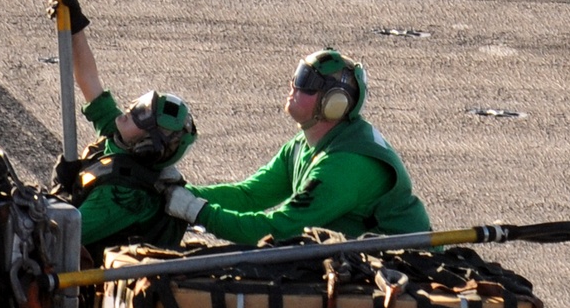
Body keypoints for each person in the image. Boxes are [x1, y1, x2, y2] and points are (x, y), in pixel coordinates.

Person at [161, 47, 431, 245]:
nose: (294, 86)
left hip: (406, 265)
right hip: (363, 257)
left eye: (307, 84)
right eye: (298, 76)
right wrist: (178, 192)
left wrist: (196, 211)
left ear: (334, 102)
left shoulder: (345, 164)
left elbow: (276, 230)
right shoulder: (304, 144)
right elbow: (250, 195)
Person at [49, 0, 198, 262]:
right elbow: (88, 78)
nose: (130, 110)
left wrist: (60, 189)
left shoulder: (126, 196)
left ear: (146, 145)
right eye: (140, 105)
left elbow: (57, 236)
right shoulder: (119, 138)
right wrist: (75, 26)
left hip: (82, 294)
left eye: (142, 115)